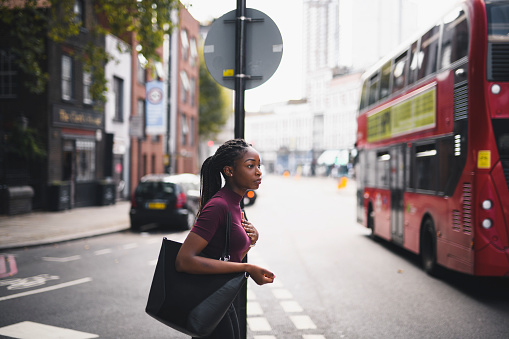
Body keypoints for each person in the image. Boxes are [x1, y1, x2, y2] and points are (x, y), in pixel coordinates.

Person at [176, 138, 275, 339]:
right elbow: (184, 260)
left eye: (258, 166)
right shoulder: (218, 206)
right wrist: (248, 268)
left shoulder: (236, 205)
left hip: (223, 298)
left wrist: (251, 241)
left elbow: (225, 253)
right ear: (229, 171)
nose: (258, 172)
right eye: (250, 166)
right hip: (210, 298)